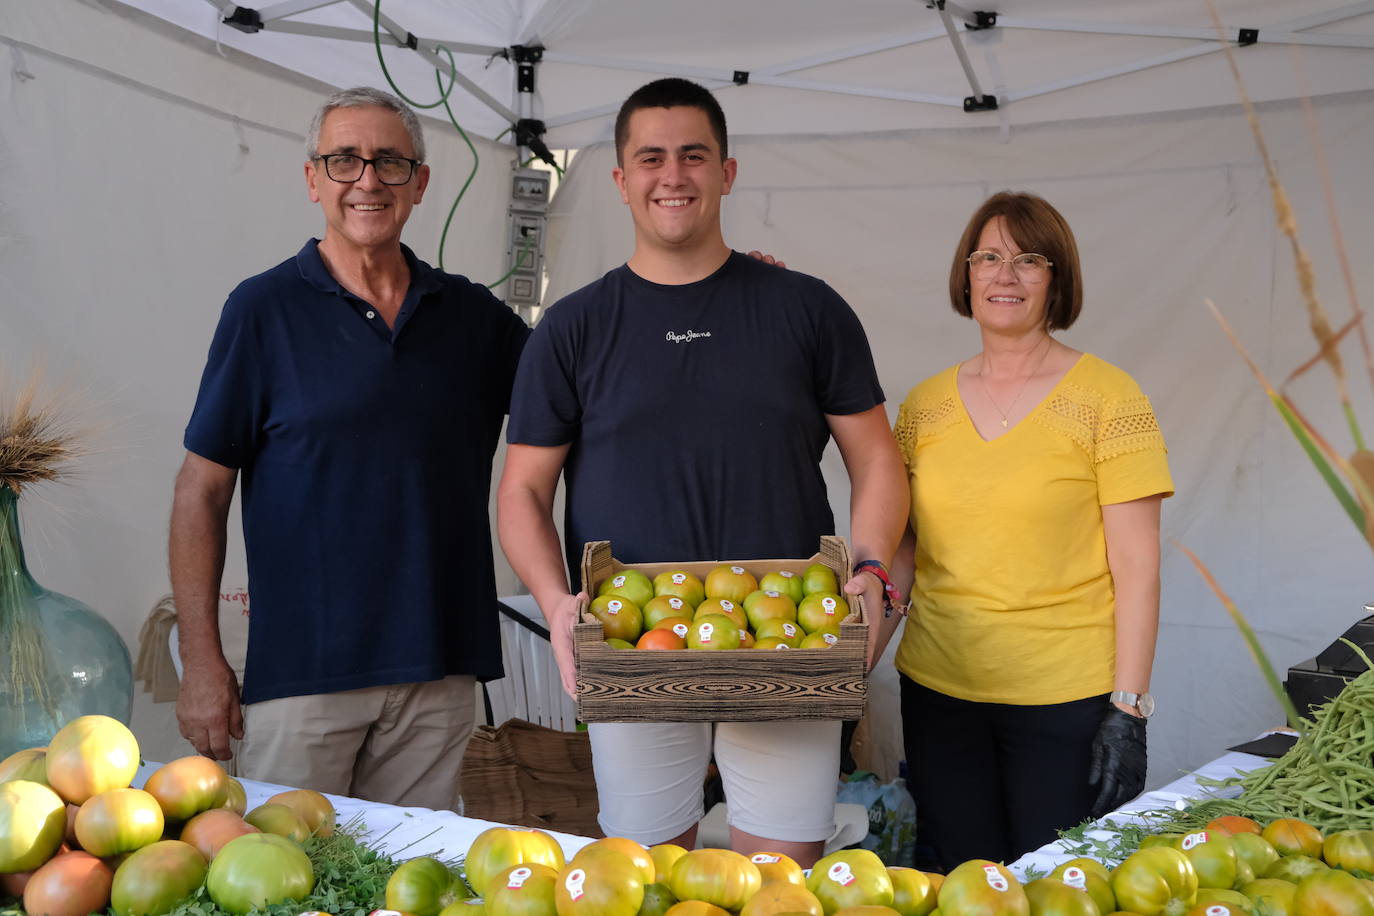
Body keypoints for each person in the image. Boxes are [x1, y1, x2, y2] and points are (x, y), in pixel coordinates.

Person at [496, 78, 908, 867]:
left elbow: (877, 458)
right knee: (646, 874)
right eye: (650, 158)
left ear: (728, 171)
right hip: (630, 639)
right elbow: (520, 491)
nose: (673, 175)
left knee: (780, 876)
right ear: (620, 180)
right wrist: (556, 606)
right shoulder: (573, 328)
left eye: (694, 155)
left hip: (790, 636)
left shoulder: (806, 308)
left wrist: (871, 567)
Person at [169, 87, 529, 809]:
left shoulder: (474, 318)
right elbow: (200, 491)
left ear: (420, 183)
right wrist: (203, 662)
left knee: (407, 886)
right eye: (344, 161)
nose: (367, 180)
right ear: (313, 179)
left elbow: (594, 383)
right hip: (303, 679)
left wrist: (728, 298)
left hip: (440, 668)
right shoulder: (262, 310)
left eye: (390, 162)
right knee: (285, 889)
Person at [889, 191, 1174, 869]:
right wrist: (852, 661)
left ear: (1058, 278)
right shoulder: (923, 406)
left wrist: (1128, 710)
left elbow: (1138, 566)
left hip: (1066, 700)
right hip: (939, 691)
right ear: (965, 276)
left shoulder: (1111, 398)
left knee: (1054, 885)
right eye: (986, 257)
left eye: (1028, 259)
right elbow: (902, 550)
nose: (1004, 275)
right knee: (963, 883)